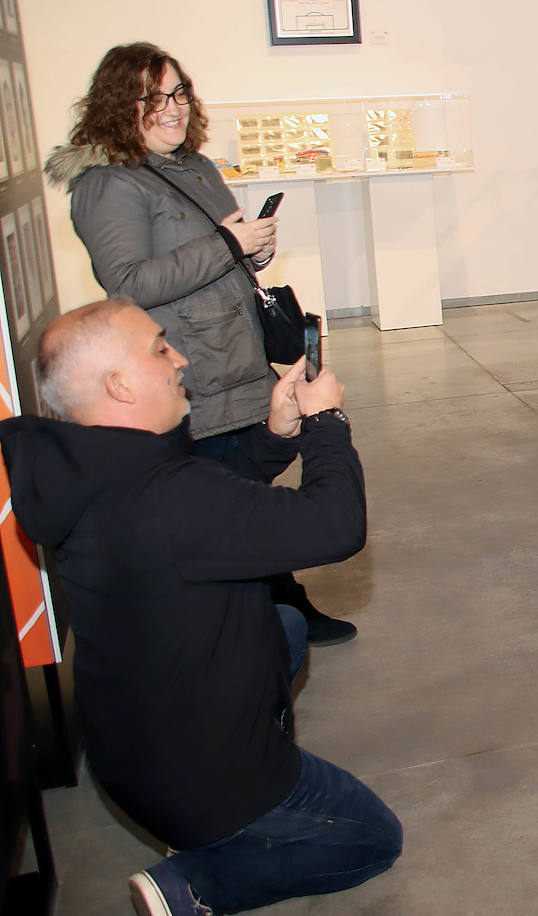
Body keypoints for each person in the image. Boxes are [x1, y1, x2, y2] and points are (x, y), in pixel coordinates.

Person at [0, 300, 401, 914]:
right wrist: (326, 423)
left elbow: (213, 510)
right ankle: (198, 882)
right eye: (161, 348)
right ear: (119, 384)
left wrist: (275, 436)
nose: (179, 358)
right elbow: (335, 525)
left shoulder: (89, 467)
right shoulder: (170, 501)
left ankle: (215, 819)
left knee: (288, 624)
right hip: (201, 777)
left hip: (126, 748)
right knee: (373, 838)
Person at [43, 41, 355, 645]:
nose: (172, 109)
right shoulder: (108, 185)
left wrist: (252, 247)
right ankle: (264, 611)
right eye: (152, 98)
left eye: (178, 93)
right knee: (225, 502)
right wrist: (227, 245)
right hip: (191, 370)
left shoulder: (195, 167)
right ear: (118, 105)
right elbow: (127, 283)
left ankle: (277, 601)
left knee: (248, 492)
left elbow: (220, 251)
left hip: (236, 355)